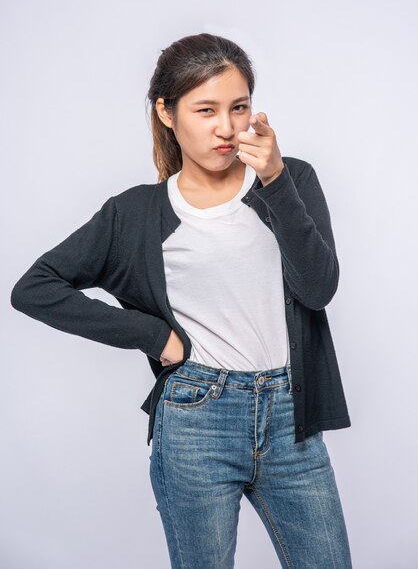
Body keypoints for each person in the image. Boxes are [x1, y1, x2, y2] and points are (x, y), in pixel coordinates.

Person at [10, 32, 353, 568]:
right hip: (197, 418)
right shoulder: (136, 214)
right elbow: (35, 288)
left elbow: (319, 288)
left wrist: (276, 179)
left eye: (238, 107)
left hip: (292, 418)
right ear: (167, 113)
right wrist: (152, 336)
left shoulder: (290, 180)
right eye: (206, 109)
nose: (226, 127)